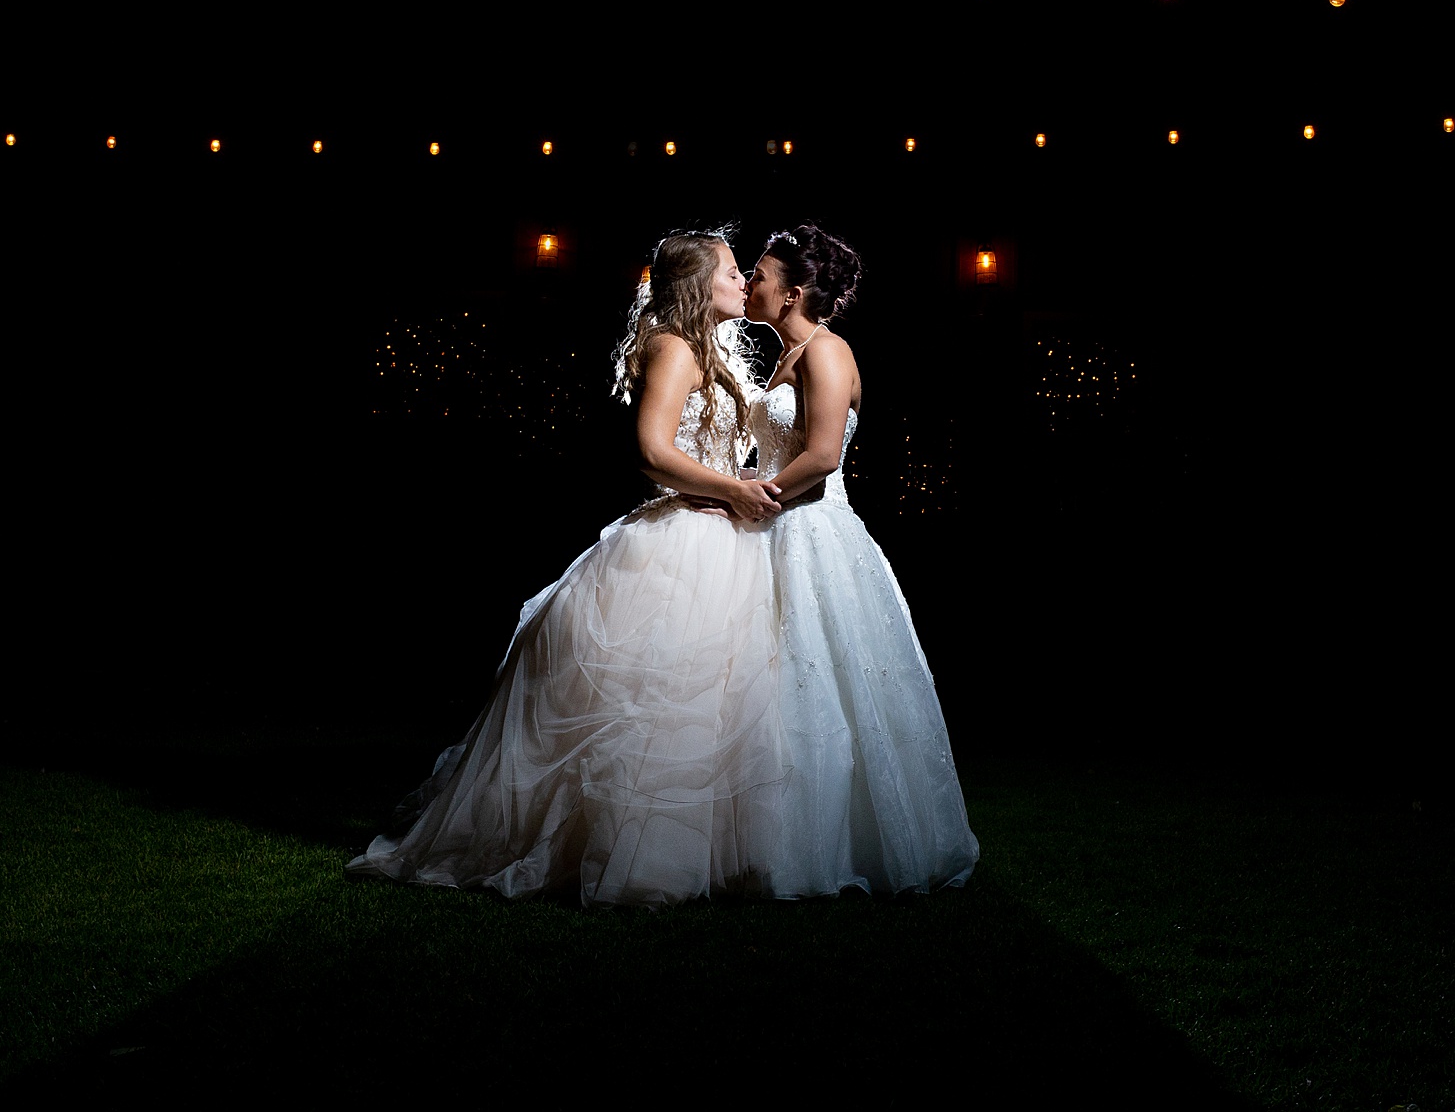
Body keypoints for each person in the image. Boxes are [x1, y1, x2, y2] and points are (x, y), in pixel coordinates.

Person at [347, 230, 787, 907]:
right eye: (732, 270)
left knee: (714, 708)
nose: (743, 280)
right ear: (702, 283)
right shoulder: (673, 345)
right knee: (658, 712)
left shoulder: (714, 349)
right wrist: (730, 489)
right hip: (679, 544)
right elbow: (650, 450)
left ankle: (710, 855)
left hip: (720, 536)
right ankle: (636, 857)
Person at [743, 225, 980, 896]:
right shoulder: (786, 356)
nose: (751, 282)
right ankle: (767, 837)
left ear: (792, 292)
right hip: (778, 522)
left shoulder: (827, 351)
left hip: (813, 532)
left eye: (760, 272)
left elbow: (820, 460)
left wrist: (746, 499)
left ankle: (834, 845)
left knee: (823, 686)